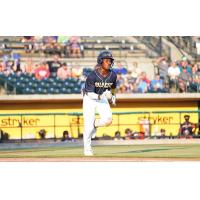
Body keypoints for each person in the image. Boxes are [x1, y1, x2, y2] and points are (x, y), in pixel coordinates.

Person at [82, 51, 117, 156]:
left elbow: (113, 87)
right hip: (90, 99)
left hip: (102, 97)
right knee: (88, 127)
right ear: (100, 61)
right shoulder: (92, 75)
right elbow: (90, 93)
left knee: (108, 120)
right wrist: (102, 96)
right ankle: (87, 149)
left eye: (110, 60)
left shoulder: (113, 75)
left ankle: (95, 124)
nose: (109, 62)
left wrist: (113, 96)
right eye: (106, 60)